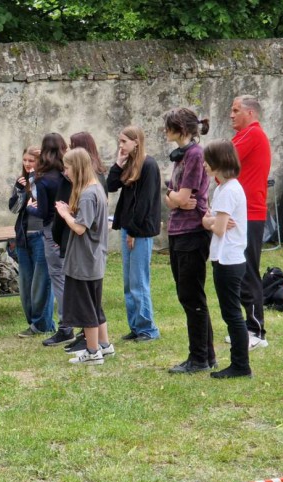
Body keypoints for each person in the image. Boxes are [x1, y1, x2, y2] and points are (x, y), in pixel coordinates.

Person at [162, 108, 217, 373]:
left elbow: (183, 199)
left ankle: (199, 358)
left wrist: (174, 197)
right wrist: (173, 197)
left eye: (168, 126)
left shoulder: (195, 155)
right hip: (178, 231)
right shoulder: (181, 156)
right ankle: (206, 355)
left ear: (181, 129)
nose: (165, 131)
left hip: (192, 232)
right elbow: (173, 196)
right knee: (189, 294)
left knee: (191, 295)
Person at [55, 148, 111, 365]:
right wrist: (71, 210)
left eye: (67, 167)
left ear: (76, 168)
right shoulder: (96, 188)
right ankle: (104, 346)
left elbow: (80, 228)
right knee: (95, 305)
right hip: (94, 259)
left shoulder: (87, 194)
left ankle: (92, 351)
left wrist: (65, 214)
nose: (65, 172)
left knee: (86, 307)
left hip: (85, 261)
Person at [107, 126, 162, 342]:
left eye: (123, 142)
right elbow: (111, 186)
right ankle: (136, 326)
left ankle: (148, 329)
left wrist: (133, 232)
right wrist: (118, 163)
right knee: (129, 282)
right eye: (119, 141)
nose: (120, 145)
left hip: (139, 231)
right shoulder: (130, 163)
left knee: (139, 281)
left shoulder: (148, 165)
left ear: (136, 142)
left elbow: (145, 202)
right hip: (129, 228)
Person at [201, 140, 251, 378]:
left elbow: (219, 228)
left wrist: (211, 222)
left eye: (207, 161)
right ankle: (239, 364)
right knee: (230, 312)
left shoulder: (229, 190)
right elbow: (209, 221)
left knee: (232, 314)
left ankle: (241, 366)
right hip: (224, 258)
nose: (204, 165)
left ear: (219, 162)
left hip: (229, 260)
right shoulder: (222, 188)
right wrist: (211, 221)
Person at [230, 95, 271, 349]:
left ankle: (256, 331)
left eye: (236, 110)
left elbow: (223, 159)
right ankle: (246, 327)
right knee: (239, 270)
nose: (231, 115)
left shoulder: (253, 134)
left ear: (250, 114)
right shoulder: (244, 136)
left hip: (250, 213)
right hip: (241, 213)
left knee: (248, 271)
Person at [31, 133, 74, 347]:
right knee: (72, 276)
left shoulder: (42, 179)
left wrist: (31, 206)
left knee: (58, 277)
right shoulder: (68, 175)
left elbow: (43, 212)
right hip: (71, 227)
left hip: (51, 229)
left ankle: (66, 326)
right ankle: (79, 323)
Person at [10, 146, 55, 338]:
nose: (28, 164)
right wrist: (20, 190)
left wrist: (33, 181)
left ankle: (42, 324)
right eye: (25, 160)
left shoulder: (44, 181)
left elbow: (43, 205)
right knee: (26, 284)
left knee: (41, 283)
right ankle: (34, 322)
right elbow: (14, 209)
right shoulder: (22, 182)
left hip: (41, 236)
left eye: (32, 161)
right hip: (23, 237)